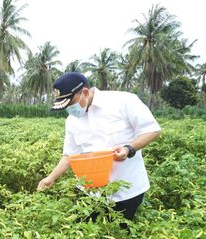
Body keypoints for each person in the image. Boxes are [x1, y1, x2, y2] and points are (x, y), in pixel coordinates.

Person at [38, 72, 161, 223]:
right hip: (91, 192)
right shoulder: (73, 120)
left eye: (71, 103)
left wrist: (129, 148)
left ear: (85, 92)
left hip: (127, 191)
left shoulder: (123, 101)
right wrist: (51, 178)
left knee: (119, 234)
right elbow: (70, 155)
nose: (70, 109)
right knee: (86, 231)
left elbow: (152, 129)